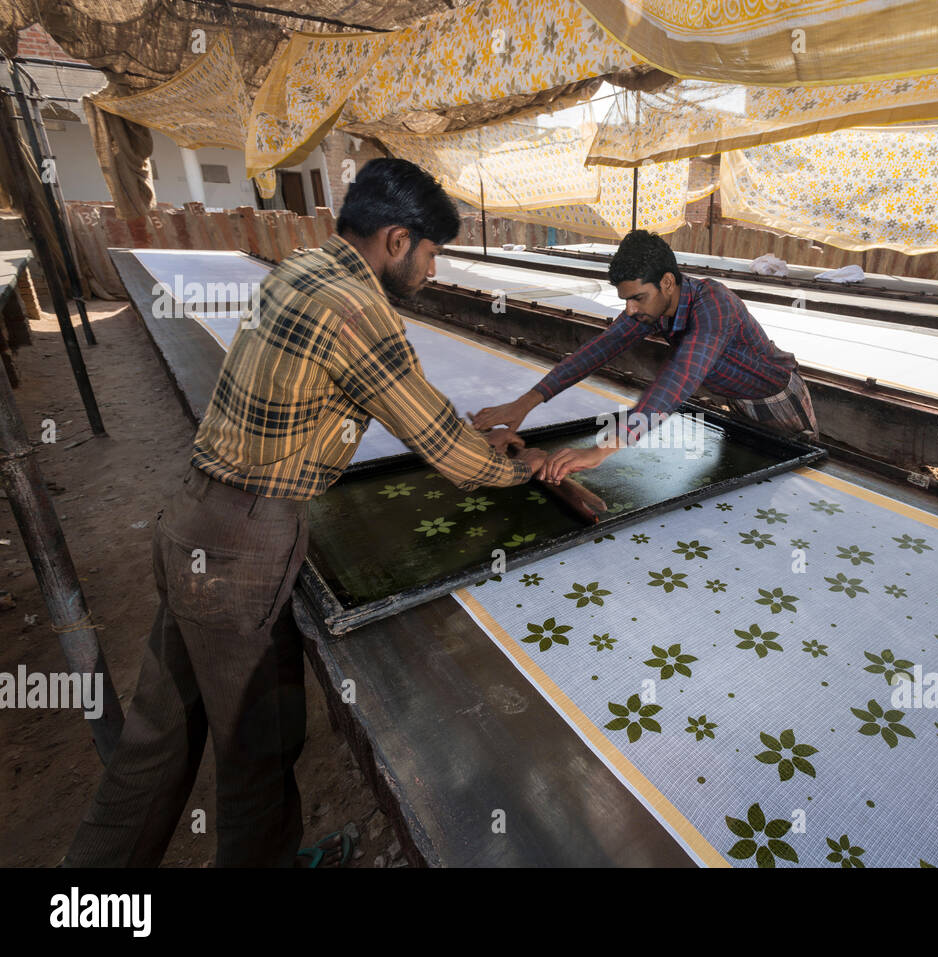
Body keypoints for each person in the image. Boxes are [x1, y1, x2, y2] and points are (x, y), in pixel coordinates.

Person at [64, 158, 546, 868]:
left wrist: (468, 433)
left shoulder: (303, 268)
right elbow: (447, 451)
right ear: (395, 239)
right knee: (256, 749)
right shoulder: (359, 310)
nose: (434, 272)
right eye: (432, 253)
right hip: (242, 548)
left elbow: (407, 407)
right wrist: (521, 465)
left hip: (193, 519)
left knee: (157, 739)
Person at [470, 230, 818, 484]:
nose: (630, 309)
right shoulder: (652, 308)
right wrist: (525, 403)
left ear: (668, 282)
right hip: (736, 397)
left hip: (776, 398)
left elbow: (678, 380)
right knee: (749, 473)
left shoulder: (715, 304)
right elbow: (596, 351)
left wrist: (603, 448)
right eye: (625, 300)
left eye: (637, 298)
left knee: (793, 476)